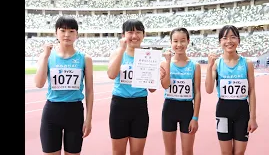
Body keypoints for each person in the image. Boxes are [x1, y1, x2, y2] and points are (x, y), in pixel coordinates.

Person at [35, 15, 94, 155]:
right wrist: (44, 56)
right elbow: (39, 83)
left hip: (74, 112)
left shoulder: (85, 59)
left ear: (77, 34)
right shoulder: (47, 56)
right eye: (62, 30)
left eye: (72, 31)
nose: (67, 34)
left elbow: (90, 90)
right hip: (52, 112)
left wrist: (89, 118)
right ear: (56, 33)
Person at [107, 19, 166, 155]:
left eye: (138, 32)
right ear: (123, 35)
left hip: (139, 107)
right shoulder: (117, 53)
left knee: (137, 152)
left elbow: (151, 89)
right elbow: (111, 74)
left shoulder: (149, 57)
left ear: (143, 35)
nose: (134, 36)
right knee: (118, 152)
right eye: (130, 32)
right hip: (119, 106)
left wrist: (158, 77)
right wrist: (122, 50)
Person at [205, 25, 258, 155]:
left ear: (238, 40)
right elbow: (209, 89)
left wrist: (253, 118)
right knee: (226, 152)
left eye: (233, 37)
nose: (229, 41)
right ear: (220, 42)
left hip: (242, 112)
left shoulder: (247, 63)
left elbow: (251, 91)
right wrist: (209, 67)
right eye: (225, 38)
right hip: (223, 111)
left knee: (239, 153)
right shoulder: (217, 64)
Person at [160, 27, 201, 155]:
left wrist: (195, 118)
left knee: (187, 151)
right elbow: (165, 85)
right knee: (169, 151)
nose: (179, 45)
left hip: (187, 110)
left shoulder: (195, 66)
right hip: (169, 109)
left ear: (188, 41)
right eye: (175, 41)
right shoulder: (165, 63)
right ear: (171, 43)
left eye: (182, 41)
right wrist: (167, 62)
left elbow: (198, 93)